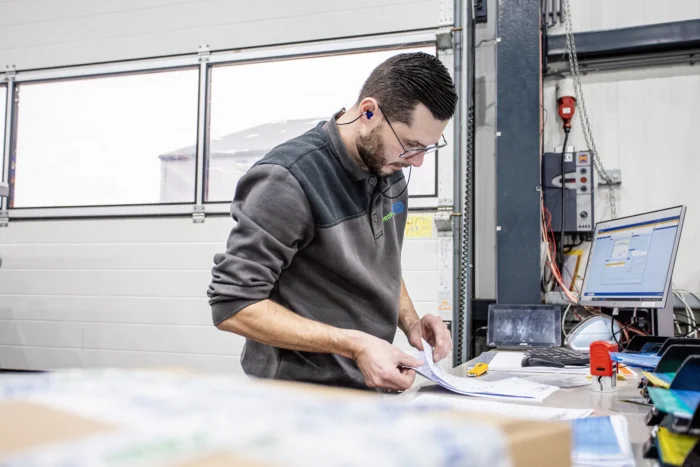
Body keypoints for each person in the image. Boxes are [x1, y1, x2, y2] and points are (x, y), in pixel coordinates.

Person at [208, 51, 458, 391]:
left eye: (426, 149)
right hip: (297, 397)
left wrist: (411, 323)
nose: (416, 162)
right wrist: (354, 345)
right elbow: (234, 304)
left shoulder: (390, 171)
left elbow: (380, 264)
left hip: (367, 390)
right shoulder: (288, 179)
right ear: (368, 112)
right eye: (409, 145)